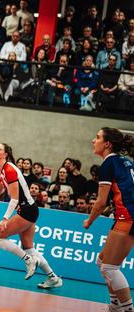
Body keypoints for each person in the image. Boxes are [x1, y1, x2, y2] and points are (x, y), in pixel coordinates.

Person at [0, 143, 62, 289]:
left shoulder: (9, 170)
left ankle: (28, 260)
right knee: (29, 248)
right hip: (29, 210)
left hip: (27, 210)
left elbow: (14, 199)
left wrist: (5, 219)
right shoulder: (0, 170)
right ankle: (53, 277)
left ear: (6, 154)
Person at [83, 128, 134, 312]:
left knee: (110, 267)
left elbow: (100, 202)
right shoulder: (125, 162)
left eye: (97, 137)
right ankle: (115, 305)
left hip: (128, 217)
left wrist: (89, 221)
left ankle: (128, 309)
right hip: (125, 216)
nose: (93, 140)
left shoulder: (108, 164)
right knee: (102, 262)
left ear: (107, 144)